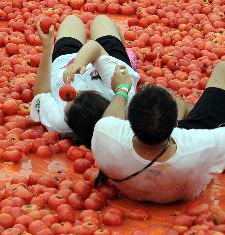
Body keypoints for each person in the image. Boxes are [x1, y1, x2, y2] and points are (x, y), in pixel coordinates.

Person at [91, 62, 225, 203]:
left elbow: (108, 120)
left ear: (129, 121)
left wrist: (122, 89)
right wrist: (122, 88)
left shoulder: (105, 135)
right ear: (176, 124)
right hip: (190, 164)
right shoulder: (202, 145)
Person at [30, 15, 140, 148]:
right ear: (100, 98)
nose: (72, 90)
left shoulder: (58, 122)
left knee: (72, 20)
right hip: (109, 62)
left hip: (64, 61)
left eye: (68, 99)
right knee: (101, 21)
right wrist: (79, 63)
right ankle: (125, 52)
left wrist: (47, 49)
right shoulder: (118, 93)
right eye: (79, 93)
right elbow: (94, 47)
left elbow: (40, 93)